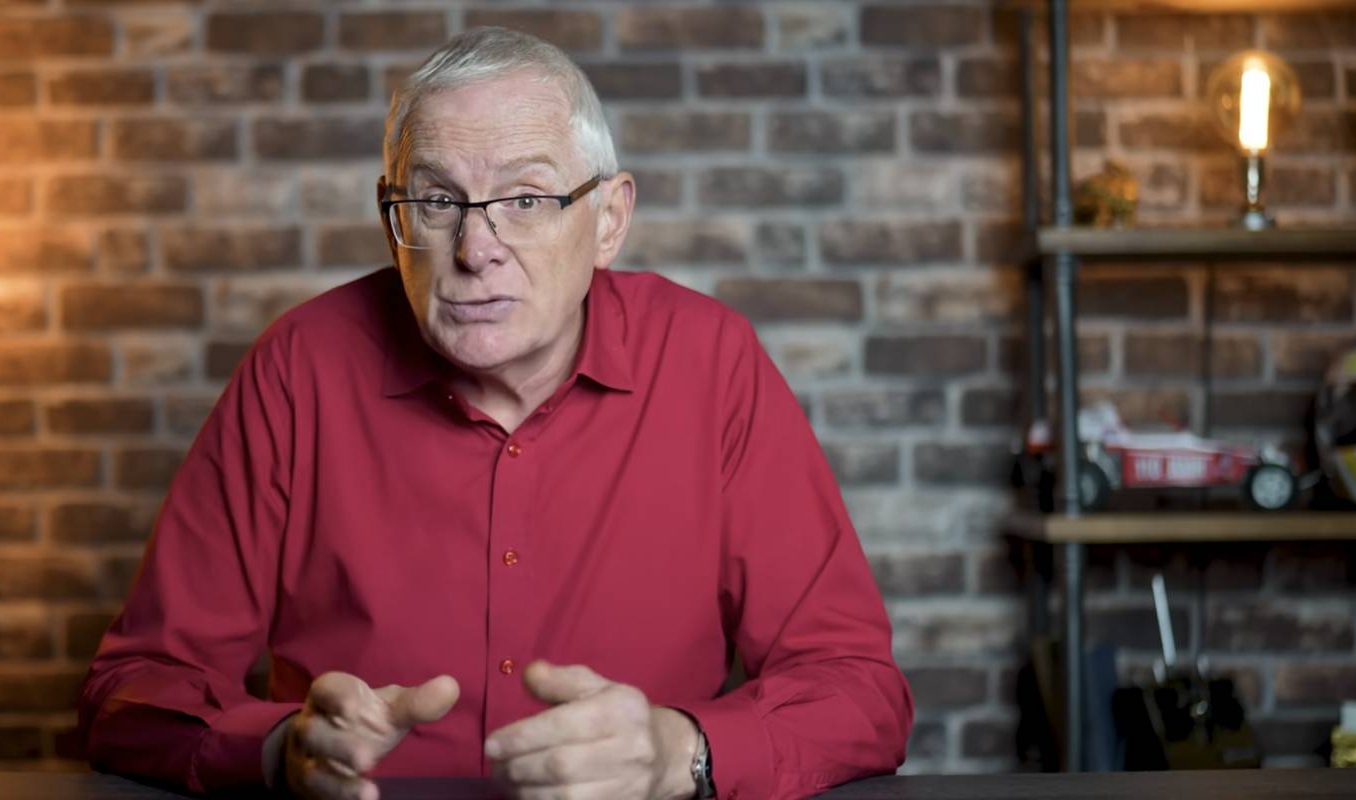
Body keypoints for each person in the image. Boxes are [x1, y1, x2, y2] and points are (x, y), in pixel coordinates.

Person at [79, 27, 912, 800]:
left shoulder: (712, 364)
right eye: (437, 202)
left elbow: (858, 690)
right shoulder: (298, 371)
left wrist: (677, 753)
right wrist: (278, 751)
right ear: (391, 219)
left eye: (525, 200)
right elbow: (136, 690)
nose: (476, 251)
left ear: (609, 220)